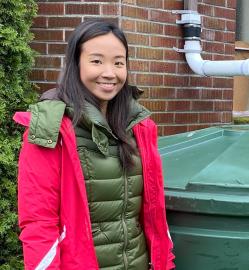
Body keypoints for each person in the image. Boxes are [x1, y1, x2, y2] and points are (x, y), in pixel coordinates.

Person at [14, 19, 175, 270]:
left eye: (118, 62)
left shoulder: (139, 127)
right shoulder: (52, 128)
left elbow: (154, 212)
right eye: (97, 61)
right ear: (75, 64)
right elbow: (38, 223)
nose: (110, 73)